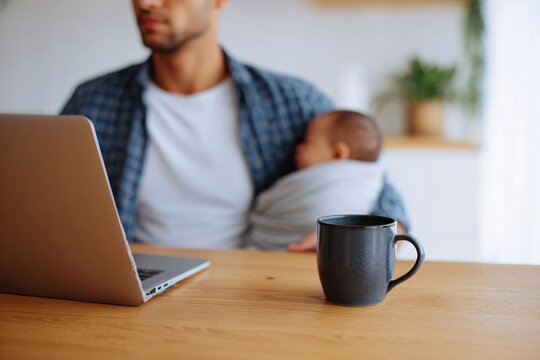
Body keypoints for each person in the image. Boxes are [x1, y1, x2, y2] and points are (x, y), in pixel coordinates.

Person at [61, 0, 409, 251]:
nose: (146, 4)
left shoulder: (291, 101)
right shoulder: (92, 102)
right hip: (132, 285)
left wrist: (355, 237)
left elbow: (377, 190)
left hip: (252, 288)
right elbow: (49, 204)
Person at [246, 110, 384, 251]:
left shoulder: (362, 180)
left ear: (337, 154)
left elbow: (263, 205)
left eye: (308, 141)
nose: (298, 148)